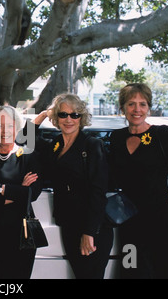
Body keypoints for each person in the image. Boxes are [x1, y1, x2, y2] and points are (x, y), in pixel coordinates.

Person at [108, 83, 168, 279]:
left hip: (161, 220)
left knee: (166, 272)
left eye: (142, 104)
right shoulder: (116, 137)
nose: (137, 110)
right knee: (131, 271)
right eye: (131, 104)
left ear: (149, 108)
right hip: (129, 222)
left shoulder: (162, 135)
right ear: (122, 108)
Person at [29, 94, 112, 279]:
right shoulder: (55, 145)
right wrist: (43, 115)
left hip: (91, 228)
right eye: (63, 114)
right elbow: (23, 139)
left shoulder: (92, 145)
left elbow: (98, 191)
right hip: (68, 224)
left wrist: (89, 232)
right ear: (56, 118)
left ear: (81, 118)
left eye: (74, 115)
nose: (69, 119)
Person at [0, 105, 42, 279]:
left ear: (18, 128)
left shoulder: (29, 155)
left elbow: (33, 193)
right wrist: (19, 190)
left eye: (10, 126)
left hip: (21, 234)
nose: (4, 131)